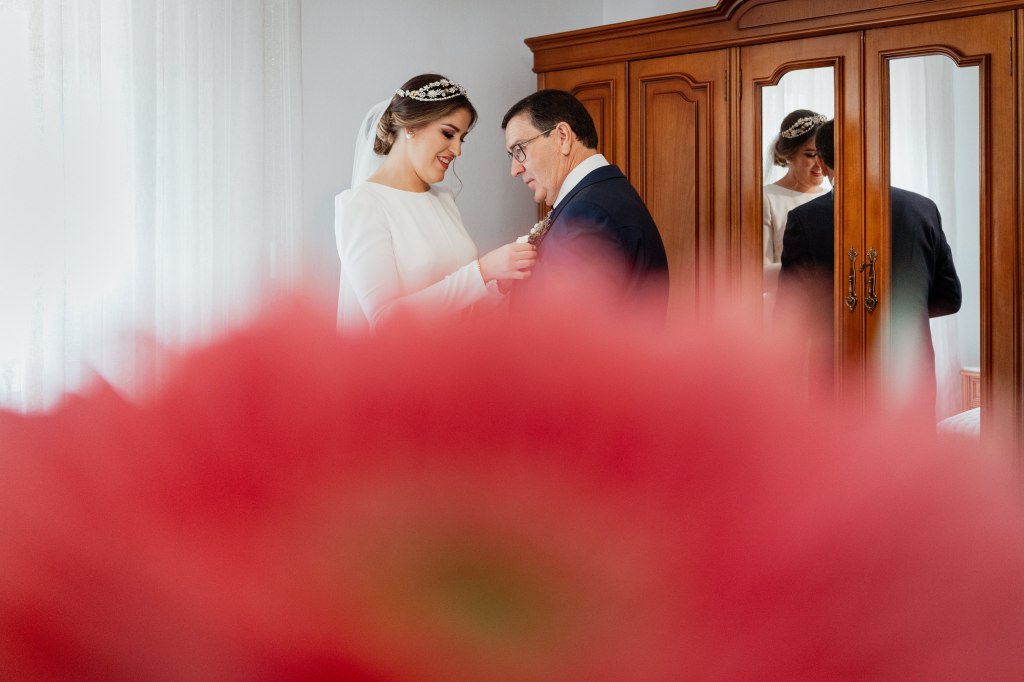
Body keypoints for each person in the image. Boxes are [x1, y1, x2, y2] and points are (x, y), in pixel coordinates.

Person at [778, 119, 962, 413]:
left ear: (823, 163)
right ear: (879, 152)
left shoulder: (805, 220)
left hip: (838, 376)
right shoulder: (923, 209)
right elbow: (950, 297)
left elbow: (792, 314)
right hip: (910, 372)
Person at [335, 74, 537, 333]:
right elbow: (386, 322)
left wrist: (500, 283)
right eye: (448, 133)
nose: (457, 150)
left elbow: (464, 307)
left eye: (461, 138)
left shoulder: (444, 199)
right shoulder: (362, 205)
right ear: (411, 126)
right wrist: (483, 271)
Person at [500, 89, 669, 326]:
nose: (515, 170)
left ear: (562, 137)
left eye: (520, 150)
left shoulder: (588, 215)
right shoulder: (602, 195)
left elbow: (568, 332)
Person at [762, 110, 829, 321]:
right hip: (785, 313)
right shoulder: (767, 198)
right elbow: (759, 275)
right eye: (810, 155)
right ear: (789, 154)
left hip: (828, 314)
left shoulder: (833, 199)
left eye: (823, 154)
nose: (819, 163)